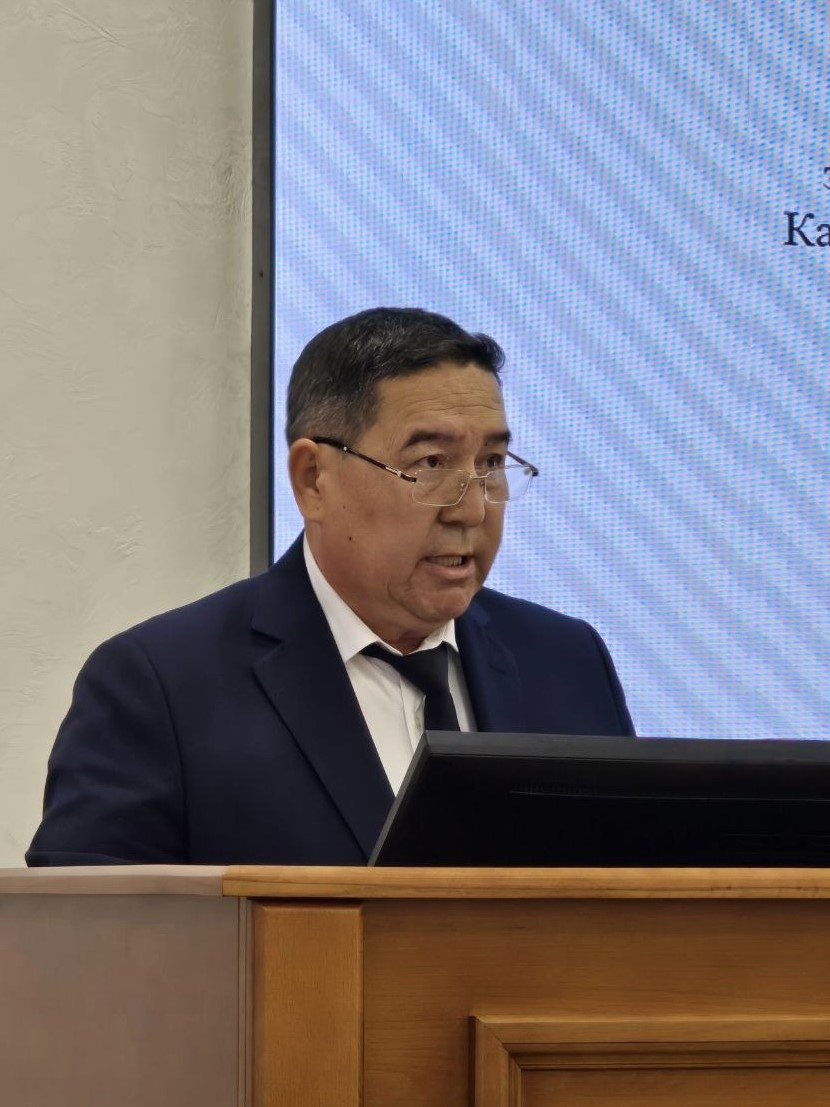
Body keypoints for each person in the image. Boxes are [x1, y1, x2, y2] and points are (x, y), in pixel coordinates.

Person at [27, 308, 633, 866]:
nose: (472, 509)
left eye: (492, 464)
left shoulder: (567, 662)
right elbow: (90, 934)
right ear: (313, 478)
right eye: (430, 464)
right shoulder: (160, 688)